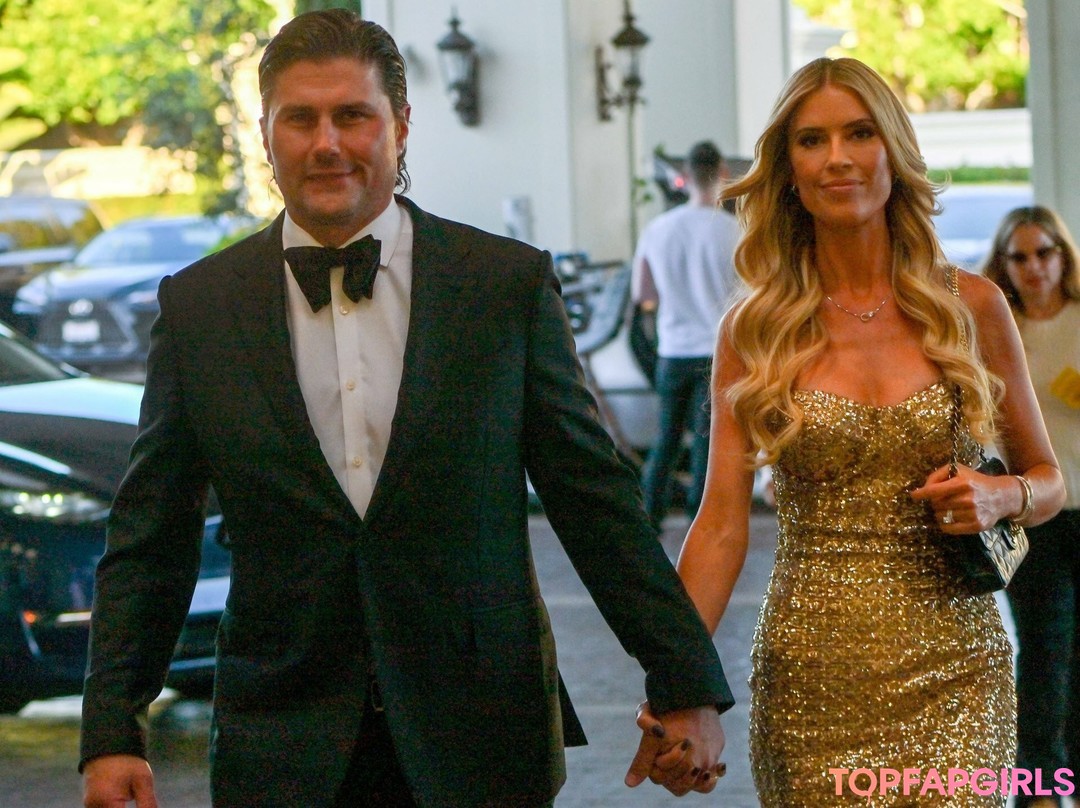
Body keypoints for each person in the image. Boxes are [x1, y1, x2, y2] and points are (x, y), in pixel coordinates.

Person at [78, 10, 733, 808]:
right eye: (300, 119)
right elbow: (151, 537)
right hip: (282, 743)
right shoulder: (200, 307)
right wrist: (111, 731)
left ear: (401, 126)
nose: (327, 143)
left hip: (482, 736)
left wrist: (684, 681)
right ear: (265, 134)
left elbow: (594, 499)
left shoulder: (503, 286)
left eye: (352, 115)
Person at [653, 56, 1066, 806]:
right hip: (811, 681)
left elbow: (1048, 481)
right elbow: (719, 526)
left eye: (860, 133)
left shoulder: (972, 305)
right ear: (789, 170)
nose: (837, 157)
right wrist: (679, 686)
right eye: (812, 140)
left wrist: (1002, 496)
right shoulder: (754, 330)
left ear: (894, 152)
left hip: (960, 672)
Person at [984, 205, 1080, 808]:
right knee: (1043, 652)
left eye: (1044, 252)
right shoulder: (997, 326)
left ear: (1063, 255)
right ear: (1004, 264)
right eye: (1019, 257)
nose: (1034, 267)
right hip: (1031, 512)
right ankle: (1039, 789)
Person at [632, 141, 739, 527]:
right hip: (716, 353)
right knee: (707, 444)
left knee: (666, 438)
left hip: (672, 351)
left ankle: (649, 517)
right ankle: (700, 523)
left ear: (685, 176)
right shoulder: (733, 230)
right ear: (722, 173)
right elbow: (748, 295)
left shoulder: (657, 229)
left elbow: (643, 294)